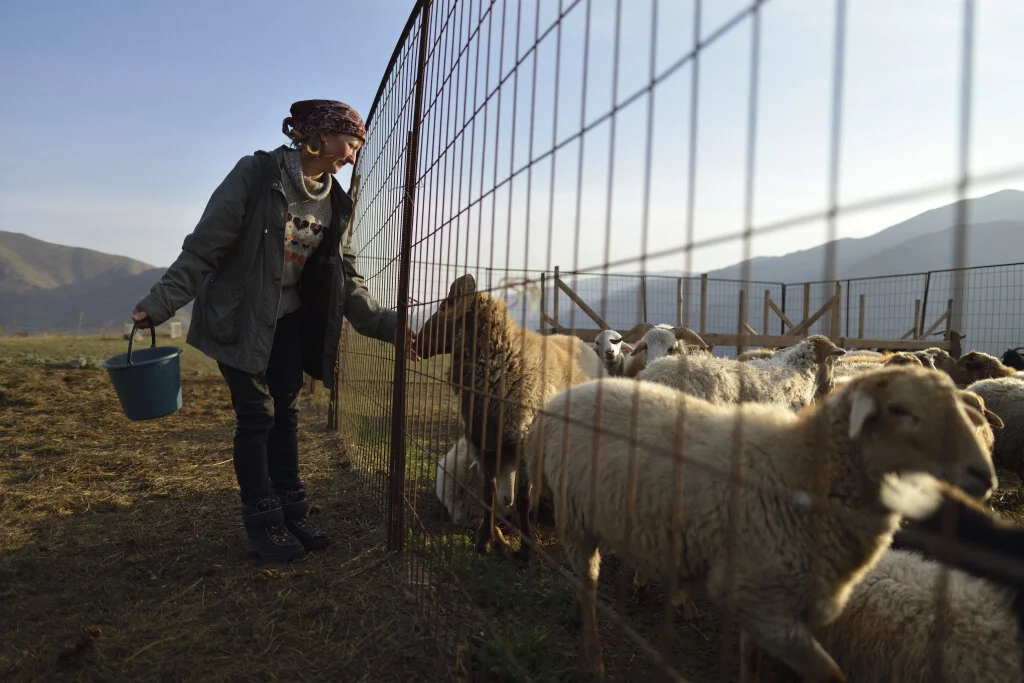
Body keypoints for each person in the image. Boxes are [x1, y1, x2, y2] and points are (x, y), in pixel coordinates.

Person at [131, 99, 419, 563]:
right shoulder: (256, 175)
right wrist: (159, 304)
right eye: (351, 143)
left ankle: (291, 508)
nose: (352, 155)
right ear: (321, 137)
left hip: (287, 319)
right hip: (239, 318)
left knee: (285, 413)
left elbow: (345, 276)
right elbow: (204, 248)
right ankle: (262, 520)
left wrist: (386, 324)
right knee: (256, 415)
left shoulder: (337, 203)